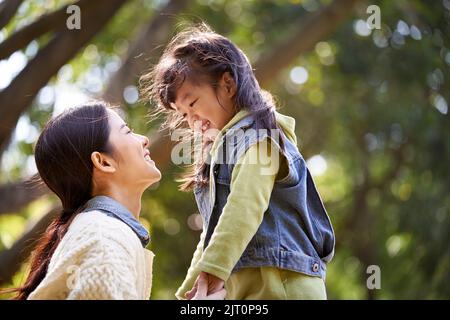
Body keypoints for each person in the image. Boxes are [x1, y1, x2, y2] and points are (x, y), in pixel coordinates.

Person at [140, 24, 335, 300]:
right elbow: (212, 232)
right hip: (250, 289)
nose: (192, 120)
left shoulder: (260, 137)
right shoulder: (219, 154)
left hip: (285, 285)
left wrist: (214, 269)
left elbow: (245, 206)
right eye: (183, 115)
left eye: (193, 103)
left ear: (228, 84)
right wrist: (190, 289)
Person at [0, 101, 225, 300]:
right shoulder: (105, 238)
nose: (144, 140)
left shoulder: (100, 232)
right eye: (127, 132)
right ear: (104, 162)